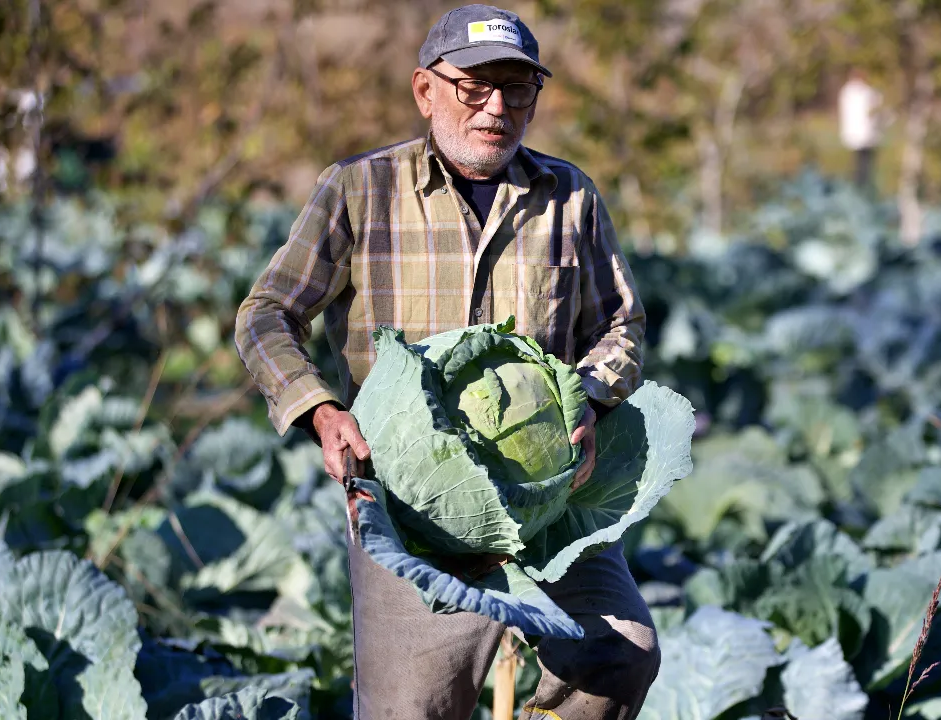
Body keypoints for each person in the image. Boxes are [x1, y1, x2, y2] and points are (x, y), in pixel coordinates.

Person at [234, 4, 657, 718]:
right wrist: (320, 409)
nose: (496, 108)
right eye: (473, 87)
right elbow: (266, 313)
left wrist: (587, 398)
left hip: (545, 498)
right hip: (410, 508)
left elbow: (622, 325)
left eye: (517, 89)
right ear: (425, 91)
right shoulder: (357, 190)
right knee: (414, 711)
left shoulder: (569, 197)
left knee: (621, 653)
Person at [837, 67, 884, 193]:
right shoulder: (865, 92)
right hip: (864, 132)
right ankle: (861, 184)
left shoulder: (847, 91)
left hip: (856, 132)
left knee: (859, 160)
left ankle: (859, 183)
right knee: (863, 161)